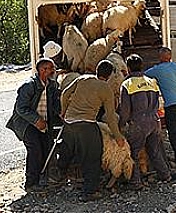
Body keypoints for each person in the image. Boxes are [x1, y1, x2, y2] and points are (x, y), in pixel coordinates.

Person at [59, 59, 126, 202]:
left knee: (68, 150)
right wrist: (118, 136)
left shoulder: (82, 78)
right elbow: (111, 116)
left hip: (69, 123)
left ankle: (58, 176)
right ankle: (89, 192)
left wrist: (64, 111)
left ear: (97, 70)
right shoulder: (105, 88)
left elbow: (65, 93)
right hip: (86, 125)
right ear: (109, 76)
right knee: (92, 157)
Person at [5, 58, 61, 192]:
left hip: (43, 123)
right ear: (42, 70)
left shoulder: (52, 85)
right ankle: (30, 183)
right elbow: (21, 108)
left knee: (45, 149)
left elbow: (54, 105)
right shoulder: (29, 85)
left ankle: (41, 178)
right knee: (35, 150)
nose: (54, 71)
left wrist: (60, 114)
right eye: (51, 68)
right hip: (27, 123)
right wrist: (36, 120)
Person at [118, 54, 172, 188]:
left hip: (139, 123)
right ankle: (165, 175)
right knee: (154, 150)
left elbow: (125, 110)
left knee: (134, 152)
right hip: (155, 120)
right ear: (142, 66)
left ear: (128, 68)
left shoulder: (127, 84)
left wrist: (120, 125)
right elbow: (160, 103)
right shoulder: (152, 81)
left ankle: (135, 182)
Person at [145, 46, 176, 178]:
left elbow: (141, 76)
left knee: (174, 136)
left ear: (160, 57)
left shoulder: (157, 70)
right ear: (170, 56)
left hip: (171, 106)